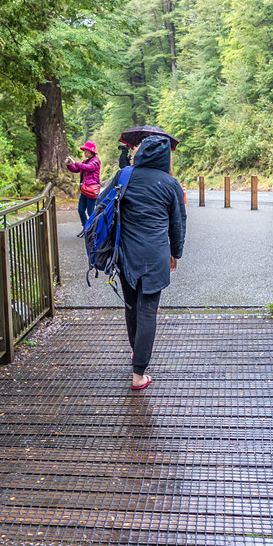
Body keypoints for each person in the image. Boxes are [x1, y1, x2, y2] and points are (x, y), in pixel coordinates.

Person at [95, 134, 186, 390]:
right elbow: (178, 224)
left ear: (141, 152)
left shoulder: (124, 175)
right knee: (147, 311)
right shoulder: (171, 184)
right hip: (156, 255)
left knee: (132, 307)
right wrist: (175, 253)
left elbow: (100, 205)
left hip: (126, 253)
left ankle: (137, 352)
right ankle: (139, 374)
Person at [66, 141, 101, 228]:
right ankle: (86, 227)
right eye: (84, 150)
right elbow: (76, 169)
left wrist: (75, 163)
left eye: (86, 151)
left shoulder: (96, 161)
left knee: (90, 211)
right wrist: (69, 165)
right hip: (84, 189)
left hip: (91, 190)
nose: (85, 152)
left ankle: (94, 228)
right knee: (81, 210)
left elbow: (88, 168)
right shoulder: (85, 161)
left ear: (92, 152)